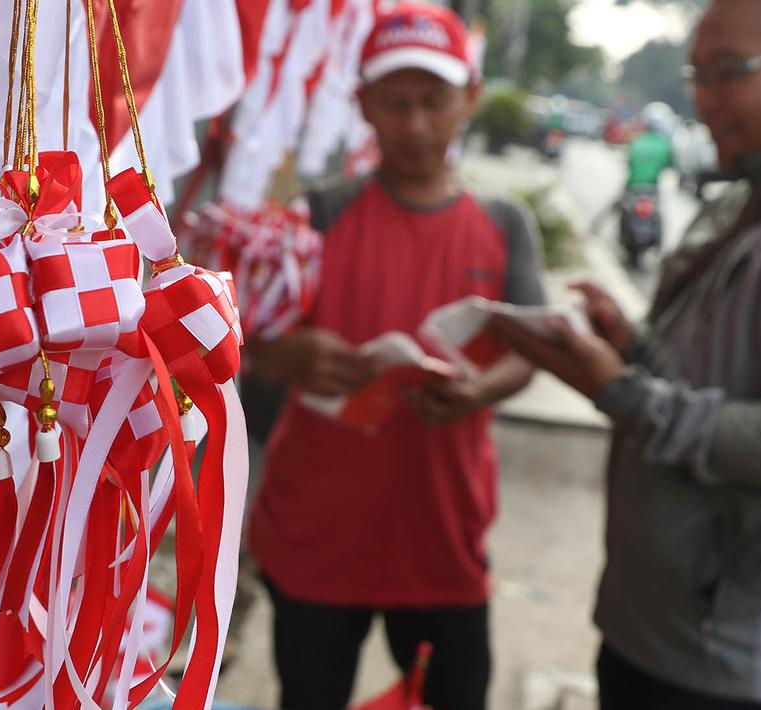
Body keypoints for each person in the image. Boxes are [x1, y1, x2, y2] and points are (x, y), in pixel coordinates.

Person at [489, 1, 761, 708]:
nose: (702, 97)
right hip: (648, 619)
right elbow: (705, 374)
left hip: (732, 656)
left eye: (726, 71)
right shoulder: (745, 200)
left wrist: (617, 388)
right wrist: (630, 345)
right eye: (697, 74)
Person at [245, 5, 546, 709]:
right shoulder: (317, 215)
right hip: (316, 533)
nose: (415, 124)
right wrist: (287, 355)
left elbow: (531, 352)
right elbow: (246, 343)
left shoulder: (502, 225)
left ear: (469, 98)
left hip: (442, 537)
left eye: (433, 101)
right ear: (362, 105)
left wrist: (476, 391)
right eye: (395, 102)